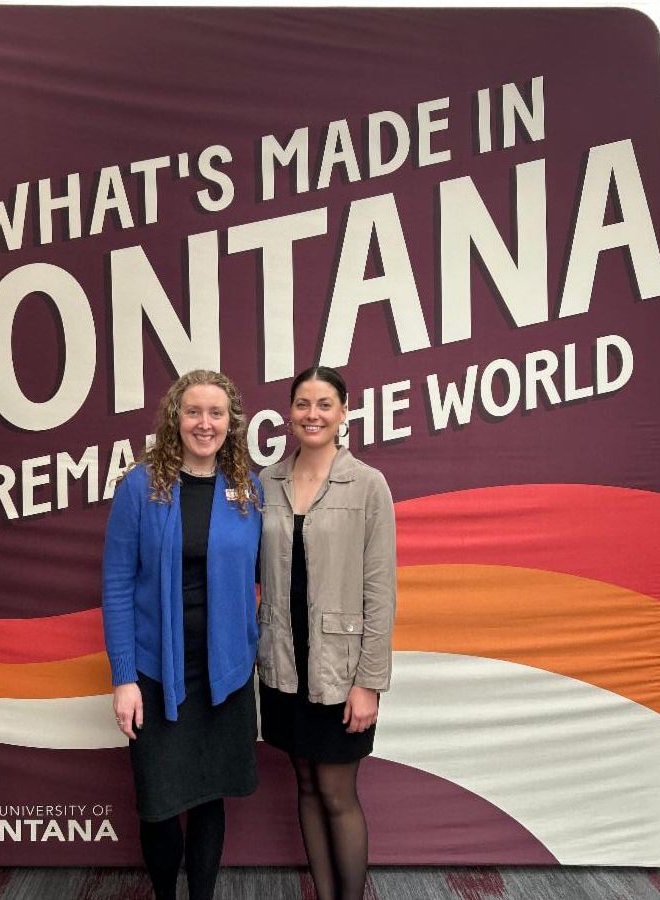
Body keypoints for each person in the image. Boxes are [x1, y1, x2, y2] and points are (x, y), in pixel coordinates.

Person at [102, 370, 261, 900]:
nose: (204, 423)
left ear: (231, 423)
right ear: (176, 418)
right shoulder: (140, 486)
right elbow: (118, 584)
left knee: (210, 795)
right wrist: (124, 677)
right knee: (160, 802)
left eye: (216, 413)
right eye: (194, 411)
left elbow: (268, 571)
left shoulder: (247, 489)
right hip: (155, 670)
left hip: (225, 672)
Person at [257, 365, 396, 900]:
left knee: (338, 794)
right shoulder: (266, 482)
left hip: (341, 672)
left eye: (324, 404)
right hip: (283, 665)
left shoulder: (368, 484)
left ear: (343, 413)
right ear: (289, 413)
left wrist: (369, 683)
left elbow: (380, 591)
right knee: (307, 786)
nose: (311, 414)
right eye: (302, 404)